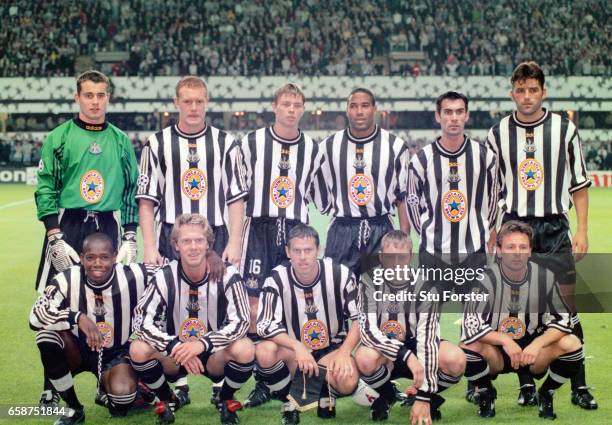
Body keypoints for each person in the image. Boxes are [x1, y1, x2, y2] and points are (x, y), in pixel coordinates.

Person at [486, 61, 595, 409]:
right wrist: (492, 230)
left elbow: (579, 184)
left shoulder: (565, 129)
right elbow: (491, 189)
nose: (527, 96)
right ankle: (525, 385)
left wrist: (582, 229)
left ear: (543, 91)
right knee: (517, 309)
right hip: (516, 228)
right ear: (511, 92)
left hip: (554, 228)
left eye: (533, 90)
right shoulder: (497, 132)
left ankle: (579, 385)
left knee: (567, 308)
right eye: (521, 90)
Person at [34, 70, 139, 406]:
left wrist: (131, 235)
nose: (96, 101)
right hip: (69, 226)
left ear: (108, 97)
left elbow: (132, 191)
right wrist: (54, 234)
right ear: (77, 98)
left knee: (106, 304)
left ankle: (102, 377)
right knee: (55, 304)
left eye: (101, 95)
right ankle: (52, 383)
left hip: (106, 227)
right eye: (89, 95)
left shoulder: (121, 140)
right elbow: (46, 185)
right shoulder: (59, 137)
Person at [239, 83, 328, 407]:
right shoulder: (252, 143)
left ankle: (292, 374)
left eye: (297, 105)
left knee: (291, 305)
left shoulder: (313, 150)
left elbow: (322, 195)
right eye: (286, 104)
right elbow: (237, 191)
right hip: (259, 227)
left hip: (294, 231)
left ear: (302, 109)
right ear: (275, 106)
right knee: (253, 308)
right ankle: (265, 381)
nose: (291, 109)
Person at [130, 214, 253, 425]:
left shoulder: (228, 274)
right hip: (175, 356)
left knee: (246, 348)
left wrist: (202, 344)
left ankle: (225, 399)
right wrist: (175, 345)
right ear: (176, 245)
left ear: (208, 245)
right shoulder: (164, 276)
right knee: (138, 349)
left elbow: (241, 321)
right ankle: (167, 400)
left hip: (214, 355)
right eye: (186, 241)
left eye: (199, 240)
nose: (193, 246)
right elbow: (140, 320)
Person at [461, 221, 584, 420]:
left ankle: (546, 393)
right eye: (510, 247)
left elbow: (563, 320)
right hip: (497, 352)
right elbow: (470, 325)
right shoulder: (483, 279)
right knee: (469, 347)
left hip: (532, 353)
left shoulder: (545, 277)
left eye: (522, 247)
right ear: (499, 251)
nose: (517, 252)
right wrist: (505, 341)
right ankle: (485, 393)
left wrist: (537, 344)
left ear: (529, 251)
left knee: (572, 344)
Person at [29, 233, 152, 425]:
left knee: (122, 401)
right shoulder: (66, 279)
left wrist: (210, 259)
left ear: (114, 256)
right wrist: (77, 317)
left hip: (114, 352)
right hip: (76, 349)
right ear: (81, 258)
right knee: (46, 335)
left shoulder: (134, 274)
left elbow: (170, 271)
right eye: (90, 257)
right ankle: (74, 408)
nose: (97, 263)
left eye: (104, 257)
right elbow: (36, 316)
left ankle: (108, 388)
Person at [356, 230, 465, 424]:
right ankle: (387, 394)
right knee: (364, 358)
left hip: (418, 345)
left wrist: (424, 394)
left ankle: (426, 397)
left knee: (456, 360)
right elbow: (367, 332)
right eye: (390, 257)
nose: (396, 263)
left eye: (403, 257)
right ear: (381, 256)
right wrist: (406, 355)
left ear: (411, 256)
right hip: (385, 350)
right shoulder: (368, 280)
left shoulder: (426, 286)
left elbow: (428, 339)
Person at [255, 224, 359, 425]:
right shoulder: (276, 279)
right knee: (265, 352)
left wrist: (345, 352)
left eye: (308, 250)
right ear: (288, 252)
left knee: (348, 381)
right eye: (297, 251)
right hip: (295, 353)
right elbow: (264, 324)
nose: (303, 257)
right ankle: (289, 400)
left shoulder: (340, 274)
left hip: (331, 350)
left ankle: (322, 390)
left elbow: (360, 318)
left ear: (318, 250)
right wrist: (297, 346)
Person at [137, 76, 247, 265]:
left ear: (207, 102)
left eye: (199, 101)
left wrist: (235, 242)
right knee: (171, 292)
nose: (194, 107)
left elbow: (236, 198)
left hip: (214, 233)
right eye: (187, 101)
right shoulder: (156, 143)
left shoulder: (225, 142)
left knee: (215, 292)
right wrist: (149, 246)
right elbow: (146, 200)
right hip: (170, 234)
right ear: (176, 102)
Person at [319, 87, 409, 277]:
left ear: (374, 109)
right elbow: (319, 189)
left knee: (381, 297)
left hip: (381, 229)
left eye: (365, 106)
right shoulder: (328, 146)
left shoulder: (395, 146)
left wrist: (404, 239)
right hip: (341, 230)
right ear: (347, 110)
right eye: (354, 106)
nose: (359, 111)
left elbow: (403, 197)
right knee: (337, 295)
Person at [406, 90, 497, 256]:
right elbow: (412, 204)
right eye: (448, 112)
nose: (454, 118)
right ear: (438, 116)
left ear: (466, 115)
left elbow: (494, 200)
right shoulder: (421, 160)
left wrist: (482, 232)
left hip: (474, 252)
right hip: (433, 253)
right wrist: (429, 236)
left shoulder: (486, 157)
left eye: (459, 111)